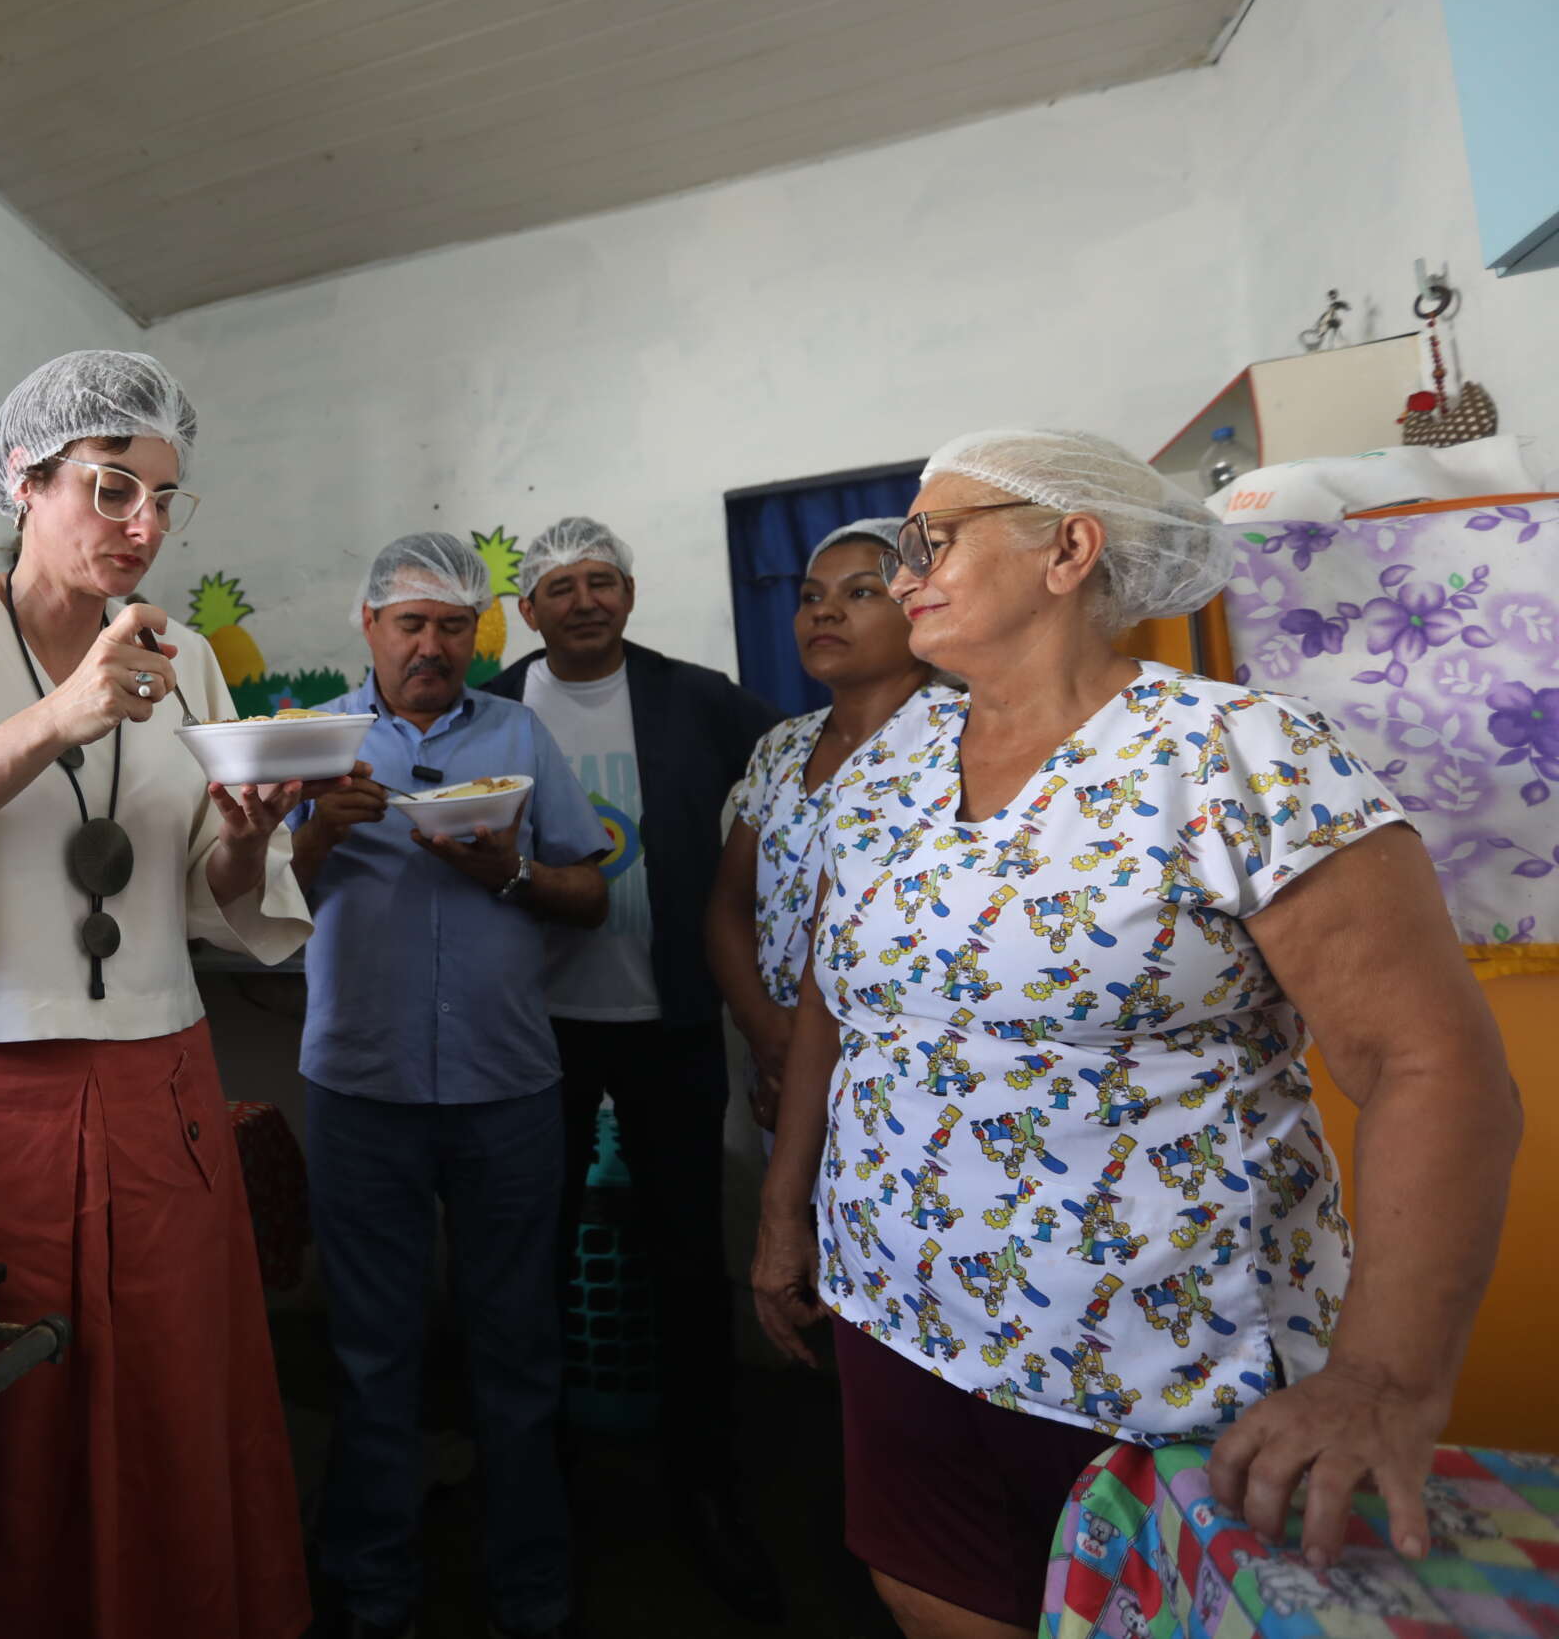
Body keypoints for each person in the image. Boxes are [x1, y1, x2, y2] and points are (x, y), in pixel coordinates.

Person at [750, 429, 1521, 1639]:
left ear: (1068, 548)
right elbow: (838, 1013)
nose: (905, 573)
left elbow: (1432, 1066)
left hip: (1157, 1363)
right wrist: (784, 1212)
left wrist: (1385, 1376)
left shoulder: (1234, 755)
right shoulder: (881, 773)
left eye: (933, 540)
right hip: (898, 1321)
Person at [0, 351, 325, 1639]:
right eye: (110, 487)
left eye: (165, 499)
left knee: (162, 1403)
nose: (143, 526)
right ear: (24, 483)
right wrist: (54, 721)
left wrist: (249, 831)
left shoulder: (186, 656)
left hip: (160, 1092)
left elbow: (213, 891)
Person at [288, 531, 612, 1639]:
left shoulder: (518, 731)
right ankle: (373, 1584)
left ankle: (530, 1587)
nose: (433, 647)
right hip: (359, 1090)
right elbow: (249, 905)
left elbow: (588, 891)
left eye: (453, 627)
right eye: (411, 624)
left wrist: (509, 871)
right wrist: (308, 844)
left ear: (480, 635)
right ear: (369, 627)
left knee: (516, 1349)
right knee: (371, 1351)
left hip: (505, 1089)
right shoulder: (312, 746)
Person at [479, 516, 782, 1621]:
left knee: (683, 1255)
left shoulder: (698, 697)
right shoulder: (491, 708)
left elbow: (795, 775)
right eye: (561, 586)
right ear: (530, 609)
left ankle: (704, 1487)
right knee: (531, 1253)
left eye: (603, 581)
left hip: (670, 1019)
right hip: (532, 1029)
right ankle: (537, 1475)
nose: (585, 601)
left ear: (630, 593)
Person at [707, 516, 946, 1141]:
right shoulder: (781, 747)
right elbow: (729, 907)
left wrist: (824, 1057)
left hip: (910, 1073)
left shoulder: (962, 738)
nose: (825, 613)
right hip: (780, 1064)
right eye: (811, 597)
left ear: (916, 604)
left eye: (860, 592)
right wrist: (767, 1034)